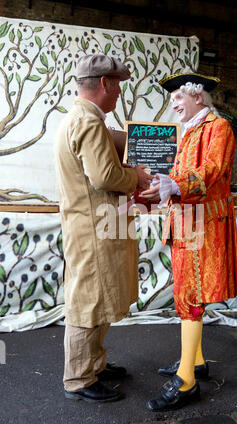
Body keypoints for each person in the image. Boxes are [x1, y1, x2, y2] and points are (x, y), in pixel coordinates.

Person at [140, 73, 237, 411]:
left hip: (204, 225)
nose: (173, 104)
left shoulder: (219, 127)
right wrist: (162, 183)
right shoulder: (190, 131)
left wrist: (175, 184)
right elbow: (183, 177)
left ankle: (186, 381)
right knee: (188, 294)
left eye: (178, 98)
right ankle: (195, 360)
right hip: (186, 222)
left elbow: (212, 170)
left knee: (191, 296)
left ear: (198, 96)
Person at [53, 54, 152, 403]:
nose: (120, 91)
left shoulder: (80, 118)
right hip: (93, 229)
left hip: (92, 226)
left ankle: (93, 363)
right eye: (118, 84)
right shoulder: (89, 121)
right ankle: (79, 378)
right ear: (105, 83)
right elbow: (105, 176)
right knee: (87, 302)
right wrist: (138, 177)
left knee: (98, 298)